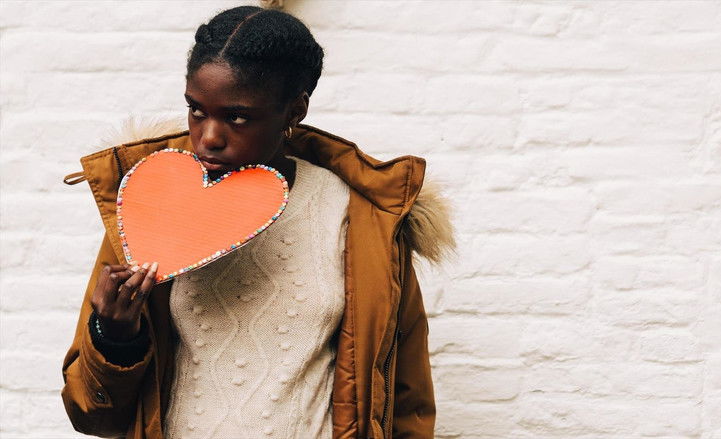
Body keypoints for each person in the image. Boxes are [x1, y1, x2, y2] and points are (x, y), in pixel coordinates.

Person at [59, 6, 455, 439]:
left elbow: (407, 399)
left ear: (295, 110)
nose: (209, 137)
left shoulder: (364, 218)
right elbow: (91, 414)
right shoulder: (150, 203)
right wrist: (115, 335)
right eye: (196, 110)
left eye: (237, 117)